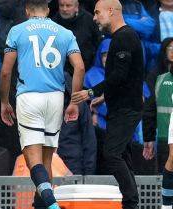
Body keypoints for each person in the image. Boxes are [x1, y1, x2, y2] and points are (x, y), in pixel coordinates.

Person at [0, 0, 85, 208]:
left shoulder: (17, 31)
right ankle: (41, 205)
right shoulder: (65, 33)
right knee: (47, 160)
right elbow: (80, 68)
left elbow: (5, 71)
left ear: (27, 11)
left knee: (32, 159)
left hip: (29, 97)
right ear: (47, 10)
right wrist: (74, 101)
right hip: (56, 97)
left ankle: (52, 205)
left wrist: (4, 102)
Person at [71, 0, 144, 208]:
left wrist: (92, 92)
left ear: (111, 11)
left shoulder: (125, 37)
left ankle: (131, 201)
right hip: (121, 106)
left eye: (97, 13)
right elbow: (127, 76)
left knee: (112, 154)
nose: (94, 17)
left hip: (126, 109)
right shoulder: (120, 37)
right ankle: (131, 203)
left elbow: (119, 76)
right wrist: (105, 96)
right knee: (122, 155)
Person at [141, 38, 173, 208]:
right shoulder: (157, 78)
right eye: (170, 48)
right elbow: (149, 110)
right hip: (163, 138)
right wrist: (148, 138)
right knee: (166, 176)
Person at [52, 0, 101, 72]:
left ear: (76, 7)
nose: (64, 9)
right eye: (61, 5)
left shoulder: (89, 20)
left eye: (68, 6)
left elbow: (98, 42)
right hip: (61, 71)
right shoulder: (53, 23)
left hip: (87, 70)